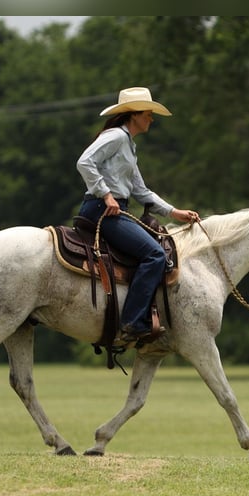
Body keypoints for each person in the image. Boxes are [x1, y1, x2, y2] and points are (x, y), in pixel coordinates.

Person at [76, 86, 200, 345]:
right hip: (103, 210)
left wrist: (174, 212)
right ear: (133, 115)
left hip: (113, 209)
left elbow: (142, 192)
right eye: (147, 114)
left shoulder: (129, 146)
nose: (151, 119)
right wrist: (106, 194)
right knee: (155, 255)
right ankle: (132, 322)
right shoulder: (117, 138)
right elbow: (84, 161)